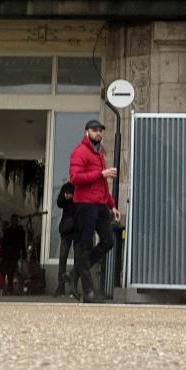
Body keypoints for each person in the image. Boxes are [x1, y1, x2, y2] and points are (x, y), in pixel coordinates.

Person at [68, 119, 121, 303]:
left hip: (99, 204)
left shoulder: (100, 153)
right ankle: (88, 291)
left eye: (100, 130)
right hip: (85, 204)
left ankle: (74, 273)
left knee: (108, 241)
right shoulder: (80, 152)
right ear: (87, 132)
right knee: (84, 246)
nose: (98, 133)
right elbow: (75, 178)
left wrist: (112, 205)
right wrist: (100, 174)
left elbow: (103, 185)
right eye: (95, 130)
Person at [54, 182, 77, 296]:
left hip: (78, 227)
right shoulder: (66, 187)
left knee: (78, 258)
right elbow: (59, 203)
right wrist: (65, 197)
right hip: (67, 228)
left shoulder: (81, 187)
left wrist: (73, 198)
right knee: (62, 257)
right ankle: (61, 286)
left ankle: (74, 288)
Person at [0, 215, 27, 295]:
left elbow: (22, 243)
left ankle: (12, 289)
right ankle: (8, 288)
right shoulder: (8, 231)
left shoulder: (20, 231)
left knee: (14, 272)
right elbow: (4, 243)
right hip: (8, 254)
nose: (14, 221)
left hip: (15, 254)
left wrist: (24, 253)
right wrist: (2, 255)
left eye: (15, 220)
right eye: (13, 220)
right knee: (7, 272)